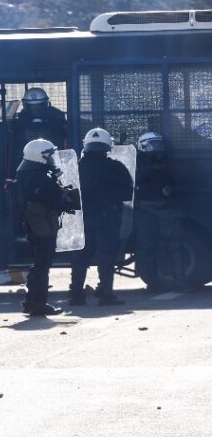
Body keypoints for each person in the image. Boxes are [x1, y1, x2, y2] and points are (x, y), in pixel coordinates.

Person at [69, 128, 134, 305]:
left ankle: (76, 295)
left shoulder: (76, 167)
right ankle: (106, 294)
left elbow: (68, 193)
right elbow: (128, 193)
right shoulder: (116, 167)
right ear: (107, 145)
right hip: (108, 218)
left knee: (80, 257)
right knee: (106, 256)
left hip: (83, 218)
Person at [15, 138, 76, 315]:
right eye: (49, 155)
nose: (51, 159)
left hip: (33, 225)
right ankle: (39, 305)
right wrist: (66, 198)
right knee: (42, 266)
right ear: (39, 156)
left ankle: (31, 302)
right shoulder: (41, 178)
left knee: (37, 264)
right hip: (43, 227)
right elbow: (53, 201)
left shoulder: (25, 174)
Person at [134, 132, 181, 290]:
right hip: (146, 209)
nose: (157, 147)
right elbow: (134, 177)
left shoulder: (166, 161)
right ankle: (153, 283)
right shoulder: (138, 161)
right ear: (143, 146)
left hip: (166, 209)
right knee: (148, 246)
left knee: (172, 246)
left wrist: (171, 188)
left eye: (159, 144)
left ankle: (178, 280)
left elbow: (177, 181)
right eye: (153, 144)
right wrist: (153, 168)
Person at [12, 88, 67, 163]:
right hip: (26, 159)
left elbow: (64, 134)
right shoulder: (22, 118)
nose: (35, 109)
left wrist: (49, 133)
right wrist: (24, 136)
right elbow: (14, 138)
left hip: (53, 157)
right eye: (31, 106)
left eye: (39, 106)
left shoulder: (56, 116)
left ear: (45, 104)